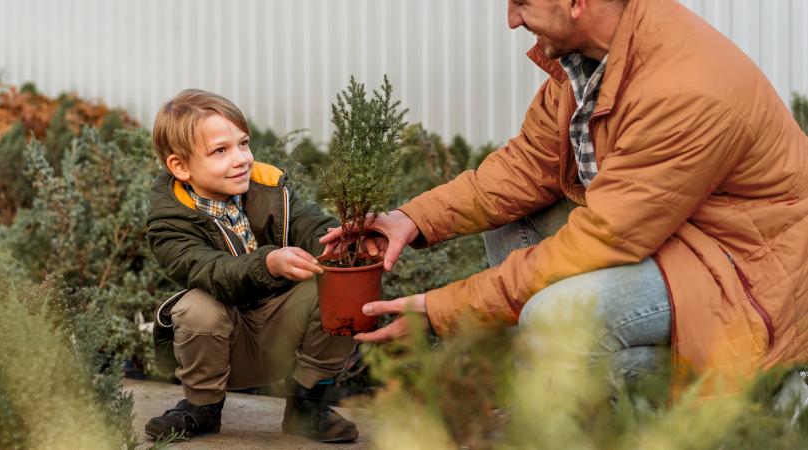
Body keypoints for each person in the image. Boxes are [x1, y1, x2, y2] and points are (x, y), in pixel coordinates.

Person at [321, 0, 808, 396]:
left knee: (553, 319)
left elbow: (600, 239)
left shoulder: (685, 89)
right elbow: (529, 165)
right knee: (516, 227)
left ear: (577, 4)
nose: (512, 20)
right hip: (670, 236)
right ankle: (561, 381)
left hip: (739, 270)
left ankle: (758, 392)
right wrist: (412, 218)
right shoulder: (593, 59)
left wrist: (439, 312)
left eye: (522, 4)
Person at [145, 89, 359, 442]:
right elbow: (211, 271)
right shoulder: (169, 220)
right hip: (225, 345)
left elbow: (309, 225)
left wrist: (345, 240)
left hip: (283, 332)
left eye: (243, 144)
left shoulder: (268, 186)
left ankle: (307, 403)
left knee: (340, 286)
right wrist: (270, 262)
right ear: (180, 166)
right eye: (220, 151)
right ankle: (202, 408)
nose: (241, 158)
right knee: (197, 307)